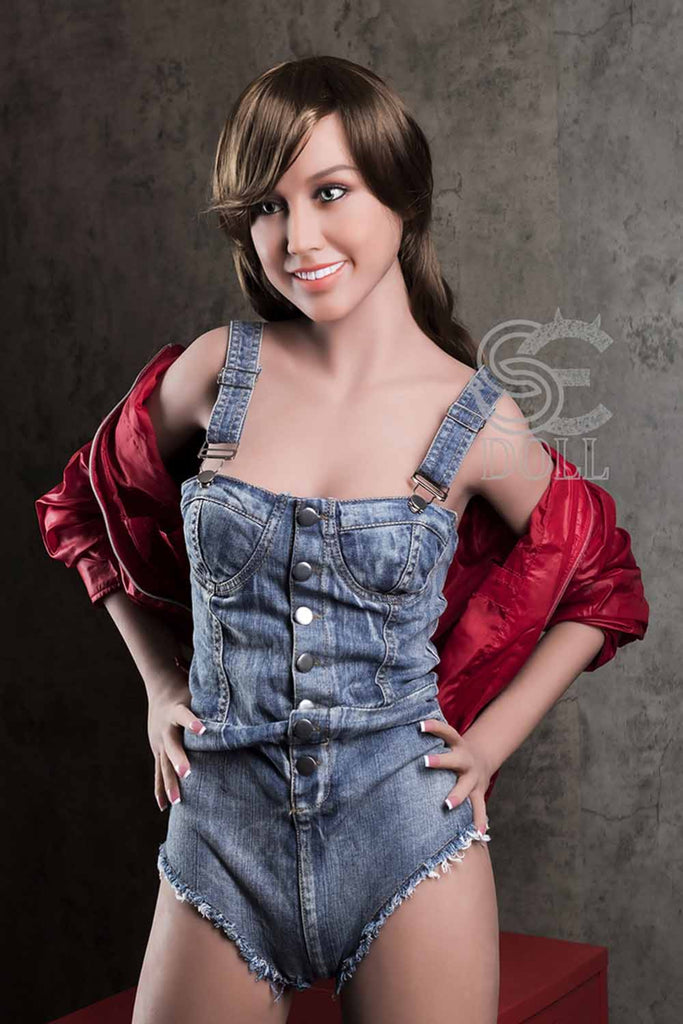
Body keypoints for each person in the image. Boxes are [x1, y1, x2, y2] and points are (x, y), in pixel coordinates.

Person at [35, 56, 649, 1024]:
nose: (298, 238)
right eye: (267, 208)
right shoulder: (215, 373)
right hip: (220, 832)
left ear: (401, 196)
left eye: (330, 192)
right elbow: (84, 506)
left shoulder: (474, 419)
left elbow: (599, 578)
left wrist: (487, 745)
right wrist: (158, 684)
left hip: (405, 831)